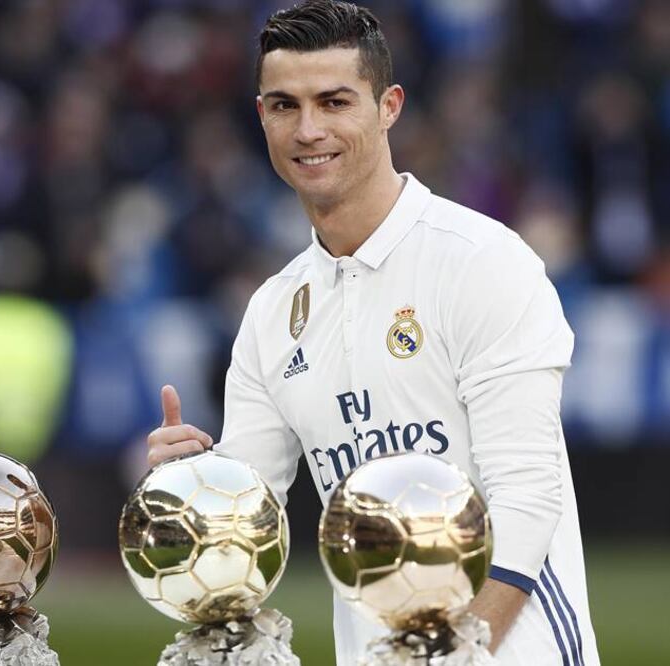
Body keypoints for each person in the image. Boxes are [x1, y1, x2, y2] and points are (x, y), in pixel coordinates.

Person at [144, 2, 599, 664]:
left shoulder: (480, 260)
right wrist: (194, 492)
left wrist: (456, 649)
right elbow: (250, 524)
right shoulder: (273, 311)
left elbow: (527, 496)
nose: (308, 130)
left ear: (388, 106)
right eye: (283, 106)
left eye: (333, 102)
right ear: (260, 115)